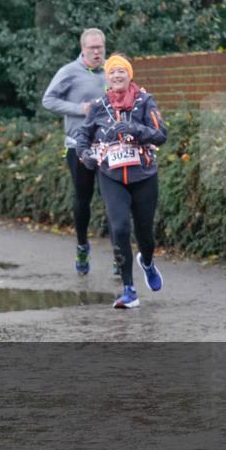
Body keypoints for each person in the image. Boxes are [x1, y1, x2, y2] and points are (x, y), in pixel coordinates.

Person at [76, 54, 167, 309]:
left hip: (144, 176)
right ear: (107, 77)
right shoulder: (98, 106)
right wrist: (86, 156)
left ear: (130, 76)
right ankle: (129, 289)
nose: (117, 76)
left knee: (145, 234)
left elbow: (161, 135)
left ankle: (147, 262)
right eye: (112, 73)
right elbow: (83, 137)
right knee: (119, 229)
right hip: (111, 177)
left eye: (122, 72)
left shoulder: (145, 102)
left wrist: (135, 130)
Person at [42, 27, 114, 276]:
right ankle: (82, 245)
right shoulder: (69, 72)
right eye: (92, 48)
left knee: (113, 199)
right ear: (83, 49)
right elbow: (48, 100)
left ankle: (119, 254)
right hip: (79, 146)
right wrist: (78, 108)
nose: (97, 52)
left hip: (109, 146)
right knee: (83, 199)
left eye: (100, 47)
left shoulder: (112, 70)